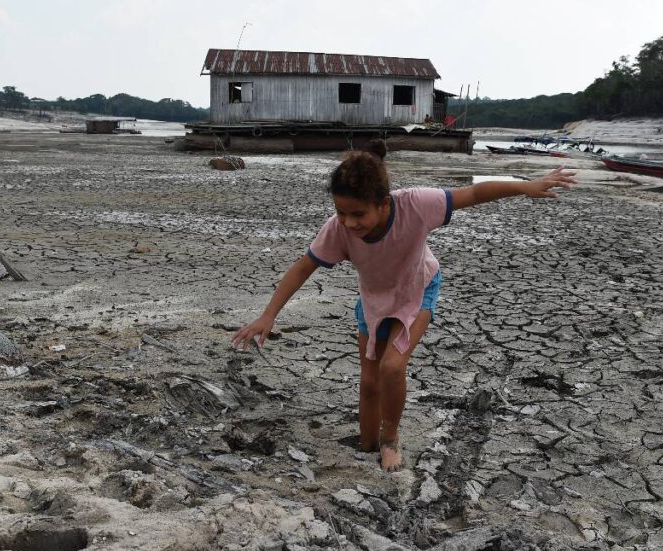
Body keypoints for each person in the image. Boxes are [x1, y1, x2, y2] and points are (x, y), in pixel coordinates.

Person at [232, 140, 576, 472]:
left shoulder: (415, 204)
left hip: (419, 288)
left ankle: (391, 439)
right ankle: (367, 445)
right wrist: (268, 315)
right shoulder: (338, 229)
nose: (350, 222)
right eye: (341, 212)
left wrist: (525, 186)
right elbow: (303, 267)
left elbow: (473, 193)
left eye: (358, 213)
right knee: (369, 382)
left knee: (392, 367)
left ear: (383, 203)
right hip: (375, 299)